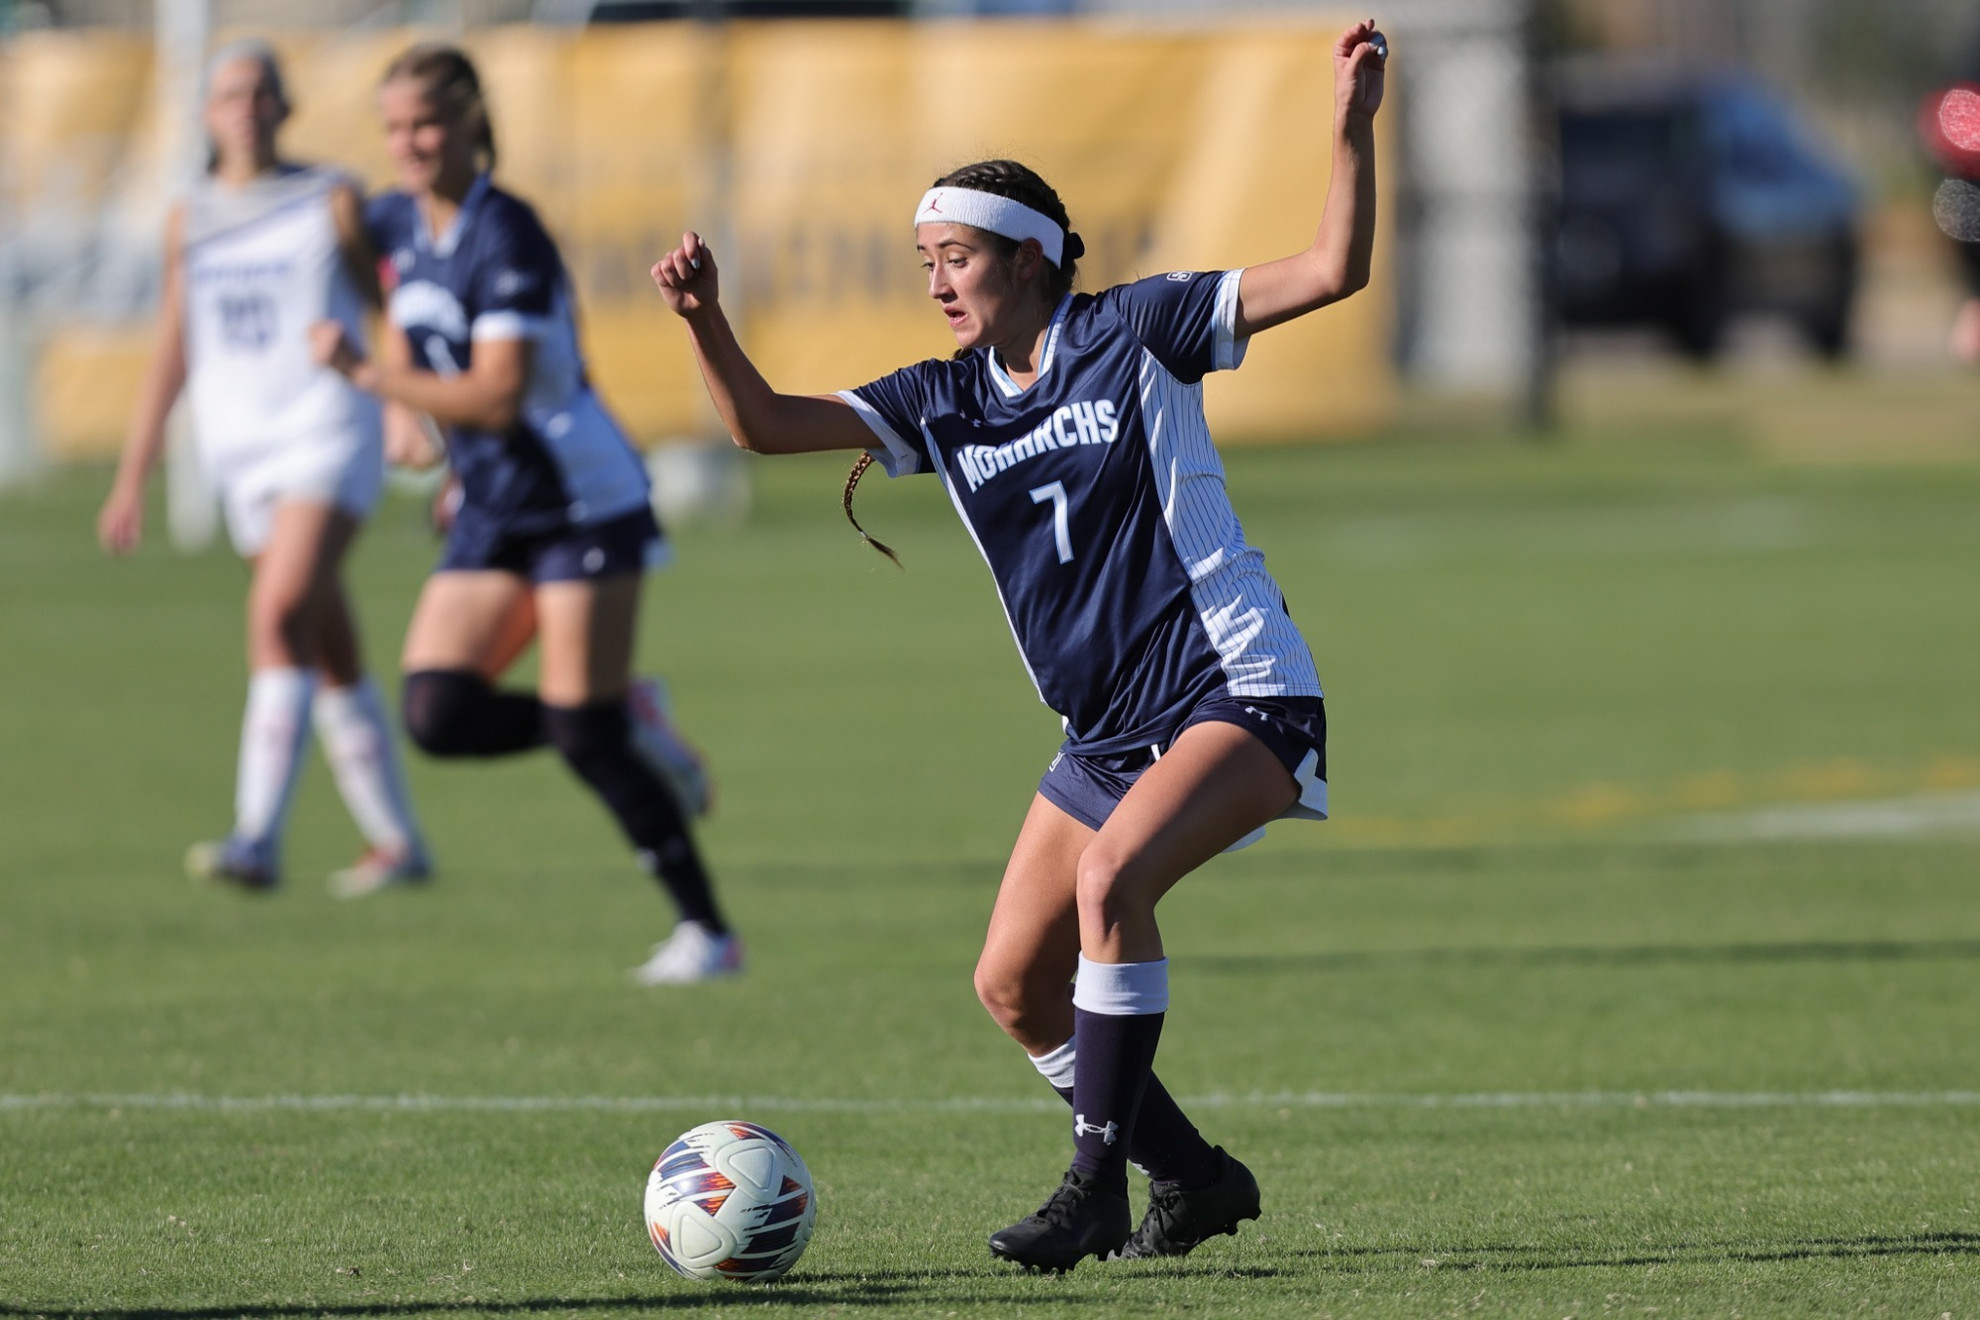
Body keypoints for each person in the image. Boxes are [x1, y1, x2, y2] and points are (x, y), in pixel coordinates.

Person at [651, 18, 1387, 1271]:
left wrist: (1348, 128)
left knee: (1113, 886)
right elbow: (766, 426)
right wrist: (705, 321)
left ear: (1033, 261)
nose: (936, 281)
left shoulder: (1136, 331)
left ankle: (1095, 1184)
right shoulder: (941, 396)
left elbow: (1331, 269)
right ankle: (1193, 1178)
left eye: (957, 258)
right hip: (1105, 733)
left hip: (1238, 691)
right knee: (1011, 985)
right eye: (925, 260)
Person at [310, 43, 736, 983]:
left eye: (425, 123)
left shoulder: (509, 236)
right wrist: (398, 404)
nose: (409, 143)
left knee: (584, 737)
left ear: (471, 122)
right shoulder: (394, 219)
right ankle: (628, 711)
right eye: (392, 128)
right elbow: (345, 234)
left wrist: (373, 378)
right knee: (438, 712)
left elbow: (498, 396)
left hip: (582, 499)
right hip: (493, 508)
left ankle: (709, 934)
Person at [98, 39, 430, 897]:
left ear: (286, 107)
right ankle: (398, 843)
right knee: (324, 641)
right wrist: (133, 474)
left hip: (326, 428)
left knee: (276, 607)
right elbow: (175, 346)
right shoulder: (190, 215)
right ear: (207, 115)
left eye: (260, 93)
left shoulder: (331, 199)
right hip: (239, 446)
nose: (246, 107)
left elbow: (386, 306)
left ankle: (257, 837)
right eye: (230, 95)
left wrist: (398, 403)